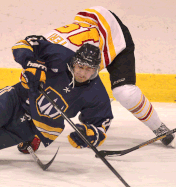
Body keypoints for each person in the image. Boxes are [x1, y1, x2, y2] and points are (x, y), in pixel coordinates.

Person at [44, 6, 175, 147]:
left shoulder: (60, 56)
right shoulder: (48, 52)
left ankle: (158, 126)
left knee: (125, 93)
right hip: (90, 27)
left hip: (110, 31)